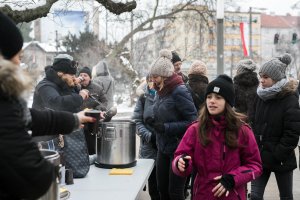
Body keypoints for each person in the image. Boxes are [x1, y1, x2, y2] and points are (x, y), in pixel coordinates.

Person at [0, 11, 100, 199]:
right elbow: (34, 178)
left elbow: (31, 117)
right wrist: (51, 170)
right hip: (47, 145)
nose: (19, 62)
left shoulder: (64, 85)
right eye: (16, 55)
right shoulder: (44, 86)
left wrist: (74, 119)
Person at [172, 74, 262, 200]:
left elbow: (255, 166)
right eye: (209, 97)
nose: (212, 101)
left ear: (228, 102)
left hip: (232, 195)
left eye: (218, 97)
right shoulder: (194, 129)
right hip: (202, 194)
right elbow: (179, 157)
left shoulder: (243, 130)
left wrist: (233, 178)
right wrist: (181, 163)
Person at [149, 49, 197, 200]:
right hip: (162, 147)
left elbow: (192, 121)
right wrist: (153, 121)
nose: (153, 80)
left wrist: (166, 127)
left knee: (174, 192)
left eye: (155, 77)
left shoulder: (179, 90)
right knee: (161, 189)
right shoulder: (160, 91)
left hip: (179, 149)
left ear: (164, 76)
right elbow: (163, 112)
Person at [250, 53, 300, 200]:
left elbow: (293, 132)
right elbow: (252, 123)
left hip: (281, 159)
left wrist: (278, 154)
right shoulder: (259, 95)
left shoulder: (290, 98)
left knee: (286, 196)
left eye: (265, 77)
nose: (261, 80)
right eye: (261, 76)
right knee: (254, 196)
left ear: (276, 78)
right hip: (260, 157)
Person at [132, 74, 160, 200]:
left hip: (165, 147)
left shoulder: (167, 96)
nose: (153, 82)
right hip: (149, 149)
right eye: (150, 80)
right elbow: (137, 121)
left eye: (156, 79)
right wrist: (149, 136)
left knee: (165, 187)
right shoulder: (143, 98)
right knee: (153, 187)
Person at [78, 66, 108, 155]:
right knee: (79, 147)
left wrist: (95, 111)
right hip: (78, 121)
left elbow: (104, 102)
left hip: (92, 122)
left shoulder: (97, 88)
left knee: (91, 146)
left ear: (90, 77)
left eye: (85, 75)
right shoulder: (75, 88)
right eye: (81, 75)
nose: (82, 77)